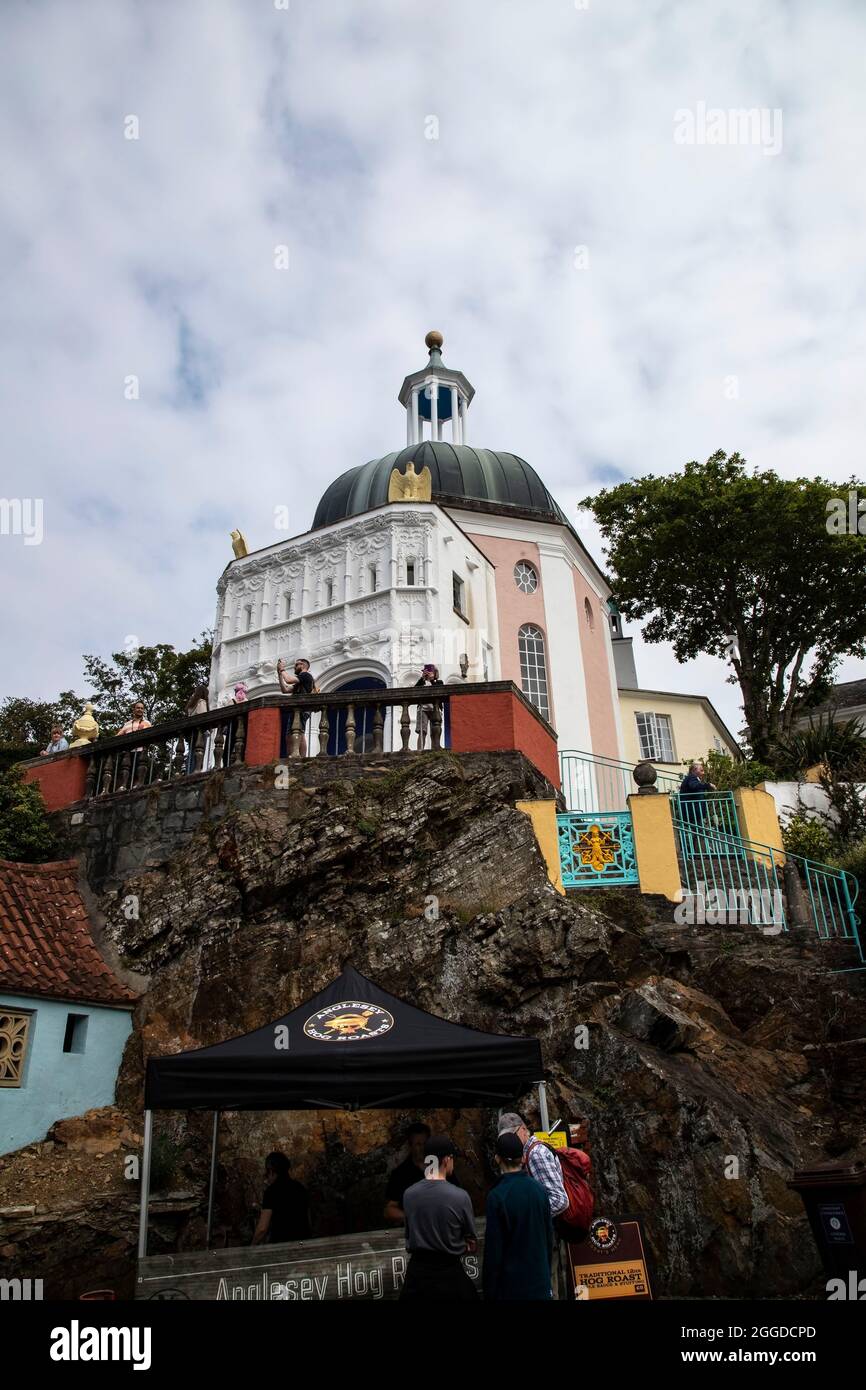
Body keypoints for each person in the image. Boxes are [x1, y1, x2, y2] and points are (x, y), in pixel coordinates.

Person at [400, 1134, 478, 1301]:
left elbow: (409, 1234)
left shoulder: (409, 1194)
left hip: (417, 1278)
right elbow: (471, 1242)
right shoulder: (460, 1196)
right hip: (449, 1276)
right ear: (446, 1160)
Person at [483, 1131, 554, 1301]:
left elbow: (494, 1250)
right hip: (540, 1284)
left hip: (511, 1288)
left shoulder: (497, 1196)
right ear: (523, 1158)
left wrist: (489, 1289)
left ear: (497, 1159)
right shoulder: (540, 1190)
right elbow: (548, 1237)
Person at [496, 1113, 568, 1221]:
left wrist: (527, 1218)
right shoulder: (527, 1152)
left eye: (512, 1134)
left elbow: (559, 1200)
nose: (509, 1139)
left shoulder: (536, 1154)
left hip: (548, 1228)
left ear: (523, 1129)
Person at [251, 1151, 311, 1245]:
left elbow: (262, 1229)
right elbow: (308, 1219)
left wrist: (251, 1247)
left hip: (282, 1247)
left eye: (266, 1173)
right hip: (303, 1244)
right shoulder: (300, 1187)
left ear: (270, 1171)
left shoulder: (271, 1192)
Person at [384, 1122, 431, 1225]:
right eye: (418, 1144)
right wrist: (412, 1218)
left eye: (425, 1144)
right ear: (410, 1146)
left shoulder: (442, 1168)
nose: (423, 1148)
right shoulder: (400, 1174)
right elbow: (389, 1210)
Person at [277, 657, 316, 756]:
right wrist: (279, 674)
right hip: (299, 709)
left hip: (301, 709)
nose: (294, 667)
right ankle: (297, 755)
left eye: (296, 665)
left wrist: (282, 669)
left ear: (302, 665)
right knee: (296, 733)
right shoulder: (301, 680)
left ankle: (297, 755)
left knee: (296, 733)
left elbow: (289, 680)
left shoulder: (305, 675)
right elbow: (285, 690)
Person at [679, 759, 715, 829]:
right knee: (698, 830)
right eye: (701, 770)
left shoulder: (691, 778)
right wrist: (708, 785)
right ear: (694, 770)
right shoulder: (692, 777)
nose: (703, 773)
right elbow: (694, 786)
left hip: (693, 811)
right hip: (692, 811)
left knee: (698, 831)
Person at [414, 664, 443, 749]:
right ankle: (420, 749)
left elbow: (440, 691)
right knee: (422, 730)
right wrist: (422, 678)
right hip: (423, 709)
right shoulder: (421, 683)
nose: (428, 674)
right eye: (426, 672)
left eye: (430, 672)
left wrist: (432, 680)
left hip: (435, 709)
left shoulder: (438, 682)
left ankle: (435, 747)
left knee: (434, 731)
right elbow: (414, 690)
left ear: (435, 673)